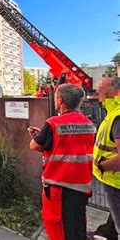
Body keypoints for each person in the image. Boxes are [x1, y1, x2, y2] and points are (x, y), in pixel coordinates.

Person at [28, 84, 96, 240]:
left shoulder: (53, 123)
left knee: (58, 229)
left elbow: (34, 146)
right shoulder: (88, 124)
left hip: (59, 188)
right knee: (77, 227)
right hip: (81, 186)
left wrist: (39, 136)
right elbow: (72, 145)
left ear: (59, 100)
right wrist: (45, 136)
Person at [89, 77, 120, 240]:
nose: (98, 93)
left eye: (103, 89)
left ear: (116, 92)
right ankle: (107, 233)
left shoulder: (117, 116)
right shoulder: (113, 113)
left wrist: (101, 167)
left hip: (115, 181)